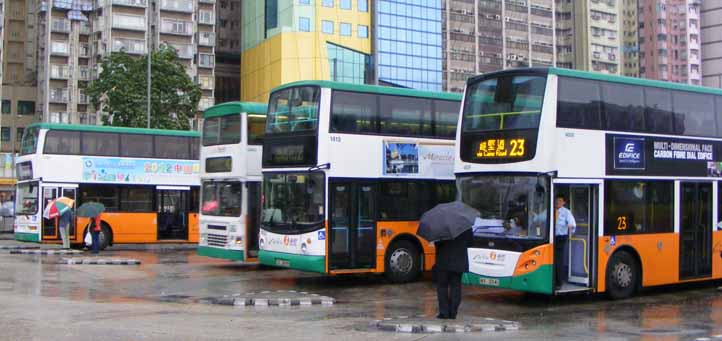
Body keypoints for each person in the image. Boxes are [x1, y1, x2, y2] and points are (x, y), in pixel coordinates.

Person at [434, 228, 474, 319]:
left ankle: (444, 312)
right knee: (456, 286)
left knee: (442, 286)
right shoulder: (466, 226)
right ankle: (453, 312)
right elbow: (470, 243)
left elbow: (436, 243)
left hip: (443, 260)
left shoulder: (441, 226)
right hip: (458, 261)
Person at [554, 194, 576, 289]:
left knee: (558, 259)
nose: (557, 202)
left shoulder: (566, 212)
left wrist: (570, 226)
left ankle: (559, 282)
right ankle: (553, 280)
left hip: (560, 237)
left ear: (563, 202)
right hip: (551, 238)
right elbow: (540, 218)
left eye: (559, 200)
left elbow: (572, 223)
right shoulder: (551, 210)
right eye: (556, 200)